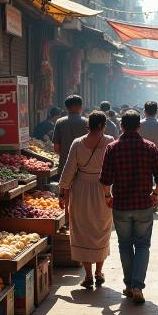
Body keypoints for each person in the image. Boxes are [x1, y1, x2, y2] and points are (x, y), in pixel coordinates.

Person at [100, 110, 158, 304]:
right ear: (139, 126)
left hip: (121, 204)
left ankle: (129, 285)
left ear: (122, 126)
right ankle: (137, 285)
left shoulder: (113, 148)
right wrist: (155, 194)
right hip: (143, 204)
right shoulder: (150, 147)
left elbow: (105, 179)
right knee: (143, 245)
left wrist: (107, 195)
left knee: (124, 244)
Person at [58, 111, 113, 288]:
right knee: (101, 229)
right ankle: (98, 272)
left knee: (82, 230)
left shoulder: (77, 143)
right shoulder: (110, 141)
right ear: (103, 125)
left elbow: (68, 171)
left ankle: (88, 275)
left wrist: (62, 193)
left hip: (80, 190)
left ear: (88, 124)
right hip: (103, 189)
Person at [53, 95, 88, 177]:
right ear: (80, 107)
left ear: (66, 107)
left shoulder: (60, 122)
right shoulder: (87, 122)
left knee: (65, 188)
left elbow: (56, 148)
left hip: (65, 165)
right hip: (83, 166)